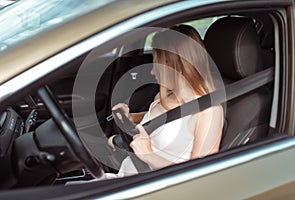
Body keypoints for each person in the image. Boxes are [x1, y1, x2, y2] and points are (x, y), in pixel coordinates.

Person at [67, 25, 223, 183]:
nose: (152, 71)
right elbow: (161, 121)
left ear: (175, 66)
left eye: (157, 63)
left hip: (146, 188)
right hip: (124, 177)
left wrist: (149, 155)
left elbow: (201, 178)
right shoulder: (166, 96)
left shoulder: (208, 112)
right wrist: (131, 118)